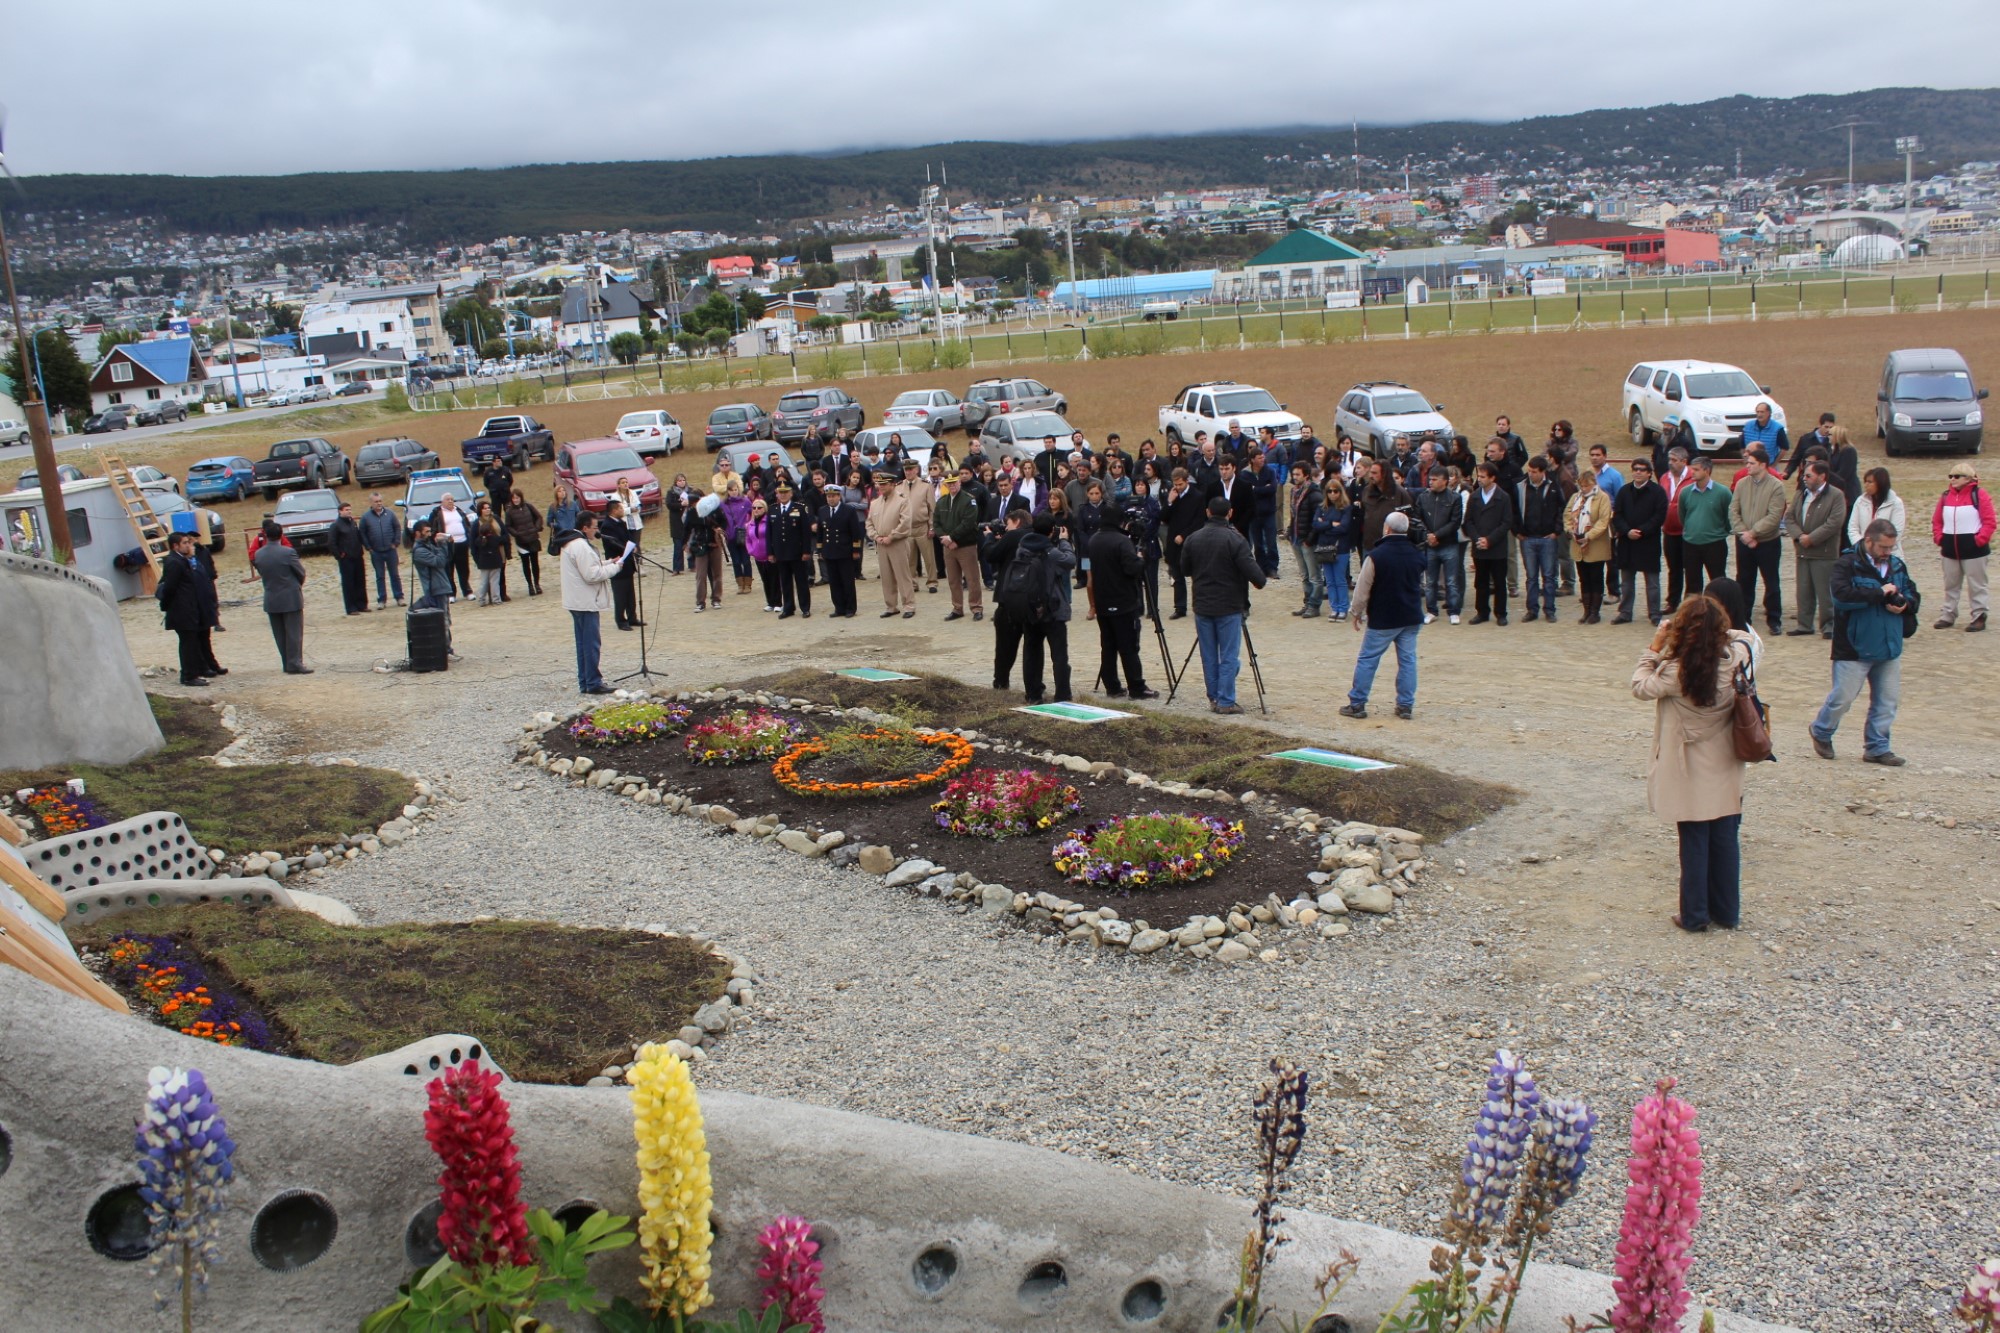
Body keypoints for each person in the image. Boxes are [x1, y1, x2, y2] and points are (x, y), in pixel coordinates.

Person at [1633, 595, 1753, 933]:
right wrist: (1719, 631)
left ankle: (1695, 914)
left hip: (1689, 765)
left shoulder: (1675, 672)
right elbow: (1744, 637)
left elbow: (1639, 686)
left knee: (1695, 841)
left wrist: (1655, 646)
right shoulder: (1738, 658)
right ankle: (1727, 912)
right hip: (1725, 759)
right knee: (1725, 838)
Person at [1811, 518, 1919, 766]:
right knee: (1843, 698)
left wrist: (1904, 604)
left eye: (1891, 547)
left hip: (1889, 646)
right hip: (1854, 647)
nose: (1888, 552)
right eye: (1884, 547)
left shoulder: (1897, 565)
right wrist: (1879, 594)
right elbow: (1841, 597)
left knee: (1887, 702)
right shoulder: (1847, 564)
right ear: (1868, 541)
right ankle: (1821, 730)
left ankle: (1878, 747)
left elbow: (1914, 595)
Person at [1336, 509, 1427, 719]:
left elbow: (1363, 588)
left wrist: (1356, 612)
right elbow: (1421, 582)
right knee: (1408, 661)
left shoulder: (1376, 555)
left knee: (1368, 659)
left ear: (1387, 529)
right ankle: (1405, 705)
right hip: (1411, 615)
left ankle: (1357, 703)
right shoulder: (1417, 554)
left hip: (1384, 616)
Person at [1180, 495, 1267, 714]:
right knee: (1228, 656)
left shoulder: (1193, 538)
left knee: (1208, 655)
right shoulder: (1235, 540)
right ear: (1230, 513)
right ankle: (1226, 700)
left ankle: (1214, 697)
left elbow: (1185, 570)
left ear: (1208, 513)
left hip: (1202, 604)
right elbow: (1258, 578)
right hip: (1229, 605)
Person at [988, 507, 1076, 704]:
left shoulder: (1023, 548)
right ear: (1051, 530)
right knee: (1059, 655)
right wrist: (1064, 541)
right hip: (1052, 609)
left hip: (1029, 609)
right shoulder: (1050, 551)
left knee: (1031, 652)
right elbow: (1070, 561)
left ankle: (1033, 694)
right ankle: (1062, 694)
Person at [1086, 500, 1155, 699]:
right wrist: (1140, 558)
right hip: (1123, 602)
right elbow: (1132, 569)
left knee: (1108, 646)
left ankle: (1112, 686)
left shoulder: (1094, 540)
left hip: (1102, 601)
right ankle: (1136, 686)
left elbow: (1090, 570)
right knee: (1128, 647)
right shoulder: (1122, 541)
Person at [556, 509, 627, 695]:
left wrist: (609, 562)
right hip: (584, 602)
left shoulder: (573, 543)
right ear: (585, 528)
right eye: (595, 527)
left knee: (583, 644)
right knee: (590, 644)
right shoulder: (580, 546)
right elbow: (592, 574)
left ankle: (586, 681)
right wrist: (617, 567)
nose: (597, 531)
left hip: (577, 601)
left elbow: (589, 566)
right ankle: (593, 682)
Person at [1728, 446, 1787, 633]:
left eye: (1751, 463)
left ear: (1763, 465)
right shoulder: (1741, 484)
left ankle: (1774, 620)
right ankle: (1743, 619)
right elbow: (1733, 510)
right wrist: (1744, 533)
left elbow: (1774, 515)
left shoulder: (1776, 486)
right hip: (1744, 542)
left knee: (1771, 582)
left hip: (1768, 542)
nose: (1747, 466)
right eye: (1747, 463)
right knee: (1744, 580)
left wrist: (1753, 533)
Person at [1932, 461, 1993, 632]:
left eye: (1957, 476)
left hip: (1975, 551)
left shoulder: (1979, 495)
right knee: (1950, 584)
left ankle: (1979, 615)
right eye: (1950, 476)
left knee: (1977, 585)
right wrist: (1940, 538)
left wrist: (1978, 541)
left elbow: (1989, 522)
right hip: (1950, 550)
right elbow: (1937, 520)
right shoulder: (1945, 496)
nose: (1952, 479)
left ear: (1968, 478)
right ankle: (1948, 614)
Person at [1787, 459, 1844, 639]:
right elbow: (1789, 518)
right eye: (1804, 475)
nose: (1804, 479)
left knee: (1825, 593)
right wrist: (1799, 536)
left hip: (1824, 554)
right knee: (1803, 591)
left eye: (1808, 475)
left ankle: (1829, 626)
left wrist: (1812, 538)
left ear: (1822, 476)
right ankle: (1804, 624)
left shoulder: (1836, 495)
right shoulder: (1800, 494)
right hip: (1803, 552)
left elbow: (1834, 522)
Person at [1611, 458, 1667, 625]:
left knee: (1652, 582)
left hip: (1648, 542)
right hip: (1627, 541)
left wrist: (1641, 531)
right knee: (1627, 581)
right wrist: (1627, 531)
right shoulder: (1624, 491)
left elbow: (1659, 516)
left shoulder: (1658, 492)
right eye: (1635, 469)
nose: (1638, 472)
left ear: (1649, 473)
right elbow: (1617, 515)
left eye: (1642, 469)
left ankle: (1654, 613)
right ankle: (1625, 612)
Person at [252, 519, 310, 674]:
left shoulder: (259, 554)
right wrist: (295, 585)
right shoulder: (288, 552)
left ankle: (287, 662)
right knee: (294, 633)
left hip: (271, 596)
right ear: (281, 535)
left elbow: (262, 571)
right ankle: (295, 662)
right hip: (290, 596)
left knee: (279, 634)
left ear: (266, 535)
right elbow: (300, 573)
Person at [156, 531, 211, 686]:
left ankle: (193, 672)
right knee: (188, 643)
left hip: (188, 608)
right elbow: (170, 587)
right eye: (185, 543)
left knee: (191, 642)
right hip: (182, 609)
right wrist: (166, 605)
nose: (188, 545)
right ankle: (189, 675)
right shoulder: (174, 562)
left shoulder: (181, 560)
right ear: (176, 546)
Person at [1515, 455, 1565, 623]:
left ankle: (1549, 610)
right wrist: (1517, 531)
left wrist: (1556, 531)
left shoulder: (1553, 487)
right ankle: (1532, 609)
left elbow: (1561, 509)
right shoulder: (1521, 486)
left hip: (1547, 538)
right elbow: (1514, 510)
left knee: (1549, 577)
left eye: (1534, 472)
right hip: (1527, 538)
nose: (1530, 474)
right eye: (1529, 471)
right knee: (1531, 577)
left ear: (1543, 472)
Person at [1463, 461, 1513, 625]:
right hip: (1479, 546)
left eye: (1483, 476)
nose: (1480, 479)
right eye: (1479, 476)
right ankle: (1482, 612)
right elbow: (1468, 521)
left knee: (1499, 582)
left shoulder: (1503, 497)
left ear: (1492, 478)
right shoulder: (1474, 496)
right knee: (1481, 582)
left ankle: (1501, 613)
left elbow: (1506, 522)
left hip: (1497, 548)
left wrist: (1490, 540)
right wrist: (1477, 538)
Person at [1414, 465, 1464, 626]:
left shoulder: (1455, 498)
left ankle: (1454, 611)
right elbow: (1418, 518)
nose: (1431, 482)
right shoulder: (1423, 497)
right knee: (1430, 581)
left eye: (1435, 479)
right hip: (1430, 545)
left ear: (1444, 481)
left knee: (1451, 581)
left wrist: (1437, 535)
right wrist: (1428, 535)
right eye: (1430, 479)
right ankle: (1431, 611)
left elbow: (1455, 522)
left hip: (1448, 544)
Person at [1677, 456, 1733, 596]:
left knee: (1718, 581)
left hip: (1715, 543)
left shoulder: (1723, 492)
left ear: (1707, 470)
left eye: (1696, 469)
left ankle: (1719, 607)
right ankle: (1694, 609)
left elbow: (1729, 517)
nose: (1692, 472)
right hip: (1691, 543)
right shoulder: (1685, 492)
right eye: (1691, 469)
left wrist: (1720, 532)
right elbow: (1683, 516)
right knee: (1692, 582)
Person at [933, 469, 983, 621]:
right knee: (953, 580)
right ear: (945, 485)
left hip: (966, 546)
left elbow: (968, 523)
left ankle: (976, 607)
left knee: (972, 579)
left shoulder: (969, 500)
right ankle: (957, 608)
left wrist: (952, 537)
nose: (952, 485)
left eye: (954, 482)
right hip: (948, 547)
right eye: (949, 483)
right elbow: (936, 523)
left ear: (959, 482)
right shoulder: (942, 501)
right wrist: (944, 538)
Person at [1565, 466, 1613, 624]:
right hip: (1578, 543)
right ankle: (1586, 610)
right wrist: (1570, 530)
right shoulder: (1576, 497)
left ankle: (1595, 612)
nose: (1584, 488)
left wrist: (1589, 536)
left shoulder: (1602, 498)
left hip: (1595, 544)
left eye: (1586, 485)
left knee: (1596, 577)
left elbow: (1603, 521)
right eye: (1581, 485)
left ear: (1594, 484)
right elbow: (1567, 514)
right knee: (1584, 578)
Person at [868, 469, 916, 618]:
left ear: (893, 484)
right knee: (886, 577)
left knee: (902, 575)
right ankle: (891, 606)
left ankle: (909, 605)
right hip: (881, 544)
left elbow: (905, 523)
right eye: (879, 484)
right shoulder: (875, 503)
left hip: (897, 543)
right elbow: (869, 523)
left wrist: (892, 536)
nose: (881, 487)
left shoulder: (902, 501)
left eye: (884, 484)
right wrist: (876, 537)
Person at [1162, 466, 1207, 619]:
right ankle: (1180, 607)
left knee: (1196, 576)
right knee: (1177, 576)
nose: (1178, 487)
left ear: (1187, 481)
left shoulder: (1198, 496)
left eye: (1180, 484)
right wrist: (1169, 502)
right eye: (1175, 484)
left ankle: (1199, 605)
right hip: (1174, 542)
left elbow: (1199, 521)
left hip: (1191, 541)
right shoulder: (1172, 495)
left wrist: (1184, 535)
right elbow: (1164, 518)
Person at [1311, 478, 1357, 620]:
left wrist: (1324, 525)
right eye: (1329, 491)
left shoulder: (1346, 508)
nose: (1332, 494)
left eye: (1335, 491)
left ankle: (1343, 608)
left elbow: (1344, 527)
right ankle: (1334, 608)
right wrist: (1331, 524)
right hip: (1324, 547)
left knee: (1340, 579)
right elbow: (1315, 525)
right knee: (1329, 580)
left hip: (1340, 548)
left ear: (1340, 492)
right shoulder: (1322, 507)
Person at [767, 480, 815, 618]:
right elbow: (769, 534)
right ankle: (788, 608)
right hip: (780, 553)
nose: (783, 495)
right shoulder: (773, 509)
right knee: (785, 582)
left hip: (797, 552)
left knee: (801, 582)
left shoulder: (799, 509)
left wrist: (806, 551)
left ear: (791, 493)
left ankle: (805, 607)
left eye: (786, 492)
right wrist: (770, 552)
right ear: (776, 494)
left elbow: (806, 532)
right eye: (780, 493)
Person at [818, 482, 865, 617]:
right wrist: (820, 550)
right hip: (829, 551)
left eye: (834, 496)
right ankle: (839, 608)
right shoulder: (823, 510)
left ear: (839, 496)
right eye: (829, 496)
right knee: (834, 582)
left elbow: (855, 532)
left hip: (845, 551)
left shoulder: (848, 510)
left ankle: (850, 608)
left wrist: (856, 550)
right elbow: (821, 532)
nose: (831, 499)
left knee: (847, 581)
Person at [1286, 462, 1323, 618]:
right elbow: (1293, 515)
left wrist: (1310, 539)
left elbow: (1318, 519)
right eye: (1293, 474)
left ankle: (1314, 605)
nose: (1294, 477)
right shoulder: (1294, 491)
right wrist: (1289, 532)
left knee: (1314, 576)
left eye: (1298, 474)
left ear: (1306, 475)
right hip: (1296, 537)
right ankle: (1307, 603)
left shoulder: (1314, 494)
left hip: (1307, 539)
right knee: (1304, 575)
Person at [1847, 467, 1906, 560]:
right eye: (1865, 482)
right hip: (1863, 555)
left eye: (1870, 482)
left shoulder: (1895, 503)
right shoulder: (1860, 501)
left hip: (1889, 555)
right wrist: (1863, 547)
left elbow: (1897, 531)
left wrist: (1879, 547)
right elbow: (1852, 528)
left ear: (1881, 483)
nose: (1866, 485)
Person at [358, 492, 405, 608]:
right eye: (376, 501)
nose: (379, 503)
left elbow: (397, 528)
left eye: (380, 501)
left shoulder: (390, 514)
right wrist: (368, 547)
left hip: (390, 550)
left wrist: (396, 543)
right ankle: (382, 600)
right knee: (380, 576)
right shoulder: (366, 517)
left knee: (395, 575)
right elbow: (362, 533)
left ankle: (399, 597)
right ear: (371, 503)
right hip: (376, 552)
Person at [1659, 447, 1691, 613]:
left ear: (1684, 461)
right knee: (1674, 568)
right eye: (1669, 459)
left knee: (1691, 568)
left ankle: (1690, 603)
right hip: (1669, 531)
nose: (1670, 463)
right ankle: (1672, 601)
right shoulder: (1664, 478)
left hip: (1688, 532)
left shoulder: (1692, 477)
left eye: (1674, 460)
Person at [601, 499, 641, 629]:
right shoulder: (607, 526)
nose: (623, 510)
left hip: (628, 561)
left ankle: (632, 617)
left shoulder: (621, 522)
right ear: (613, 510)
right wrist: (626, 549)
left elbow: (628, 537)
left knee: (630, 593)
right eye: (620, 508)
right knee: (620, 594)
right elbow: (613, 543)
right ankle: (621, 620)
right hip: (617, 561)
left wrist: (633, 546)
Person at [427, 491, 473, 598]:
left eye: (452, 499)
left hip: (462, 543)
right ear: (442, 502)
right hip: (446, 545)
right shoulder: (436, 513)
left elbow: (467, 525)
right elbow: (432, 530)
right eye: (448, 499)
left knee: (464, 569)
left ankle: (467, 591)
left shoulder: (459, 511)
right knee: (448, 569)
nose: (450, 501)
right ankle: (451, 593)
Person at [688, 492, 728, 612]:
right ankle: (700, 602)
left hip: (714, 544)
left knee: (717, 574)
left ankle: (716, 599)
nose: (694, 505)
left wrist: (720, 528)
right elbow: (687, 528)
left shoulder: (715, 509)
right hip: (700, 545)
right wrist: (685, 544)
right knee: (701, 575)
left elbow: (724, 522)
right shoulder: (691, 513)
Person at [330, 499, 369, 615]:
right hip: (346, 559)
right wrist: (339, 555)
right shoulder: (336, 525)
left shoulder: (353, 523)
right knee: (349, 583)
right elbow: (331, 543)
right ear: (340, 511)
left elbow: (358, 536)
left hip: (357, 556)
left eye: (350, 509)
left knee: (360, 581)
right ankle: (351, 608)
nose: (349, 512)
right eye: (346, 510)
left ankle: (362, 605)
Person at [505, 489, 545, 596]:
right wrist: (516, 534)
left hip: (533, 538)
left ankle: (537, 584)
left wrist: (536, 528)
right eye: (514, 498)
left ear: (521, 498)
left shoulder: (528, 506)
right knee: (525, 564)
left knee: (535, 562)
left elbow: (539, 517)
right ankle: (530, 585)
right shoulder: (509, 511)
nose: (516, 500)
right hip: (521, 541)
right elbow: (508, 526)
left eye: (517, 498)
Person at [471, 509, 510, 607]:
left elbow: (474, 545)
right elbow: (504, 539)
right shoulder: (495, 539)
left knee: (483, 582)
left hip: (483, 563)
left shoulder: (478, 540)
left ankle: (481, 600)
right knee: (494, 582)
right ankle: (496, 599)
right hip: (495, 562)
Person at [1740, 401, 1790, 471]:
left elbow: (1784, 448)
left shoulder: (1777, 428)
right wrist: (1746, 461)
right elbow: (1742, 446)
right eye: (1758, 412)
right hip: (1751, 467)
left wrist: (1774, 465)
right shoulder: (1747, 426)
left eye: (1762, 412)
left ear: (1768, 413)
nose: (1759, 414)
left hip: (1769, 467)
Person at [665, 473, 698, 573]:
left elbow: (696, 501)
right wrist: (681, 504)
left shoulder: (690, 490)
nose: (682, 482)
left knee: (691, 542)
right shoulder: (671, 492)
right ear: (676, 482)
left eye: (683, 480)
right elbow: (669, 504)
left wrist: (689, 503)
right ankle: (677, 568)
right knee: (678, 545)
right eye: (679, 480)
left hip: (689, 519)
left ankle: (693, 565)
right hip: (677, 521)